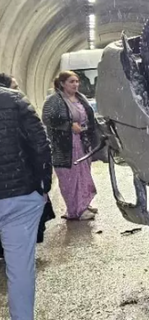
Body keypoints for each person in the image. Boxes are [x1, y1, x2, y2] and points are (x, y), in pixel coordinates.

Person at [0, 84, 52, 320]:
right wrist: (43, 185)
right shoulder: (12, 99)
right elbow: (39, 142)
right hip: (18, 195)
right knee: (19, 265)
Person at [42, 71, 98, 221]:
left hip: (82, 142)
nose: (75, 84)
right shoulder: (54, 100)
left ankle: (83, 204)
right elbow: (47, 119)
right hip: (65, 146)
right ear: (62, 84)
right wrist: (68, 126)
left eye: (77, 81)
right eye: (71, 82)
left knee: (84, 175)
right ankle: (76, 210)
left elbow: (90, 117)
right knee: (70, 178)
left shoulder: (81, 98)